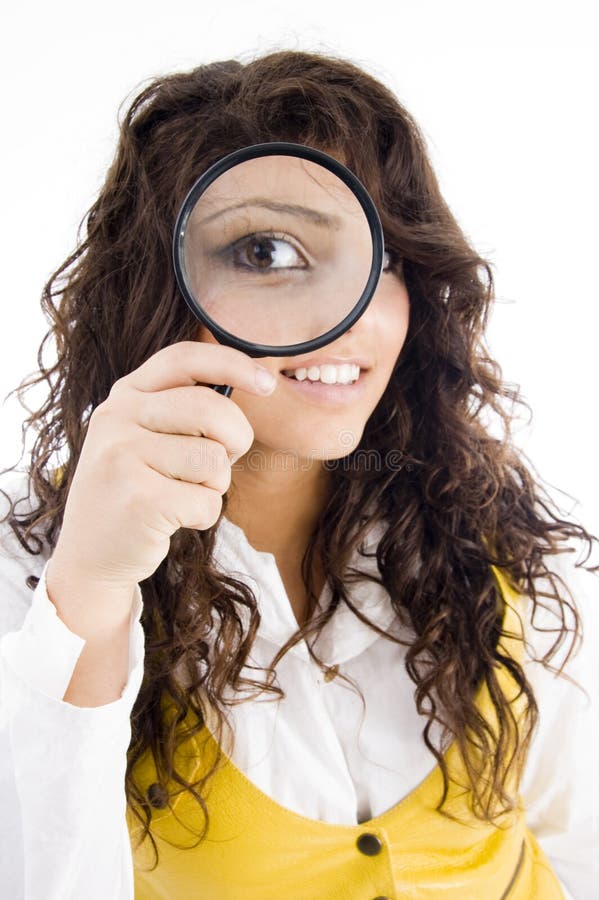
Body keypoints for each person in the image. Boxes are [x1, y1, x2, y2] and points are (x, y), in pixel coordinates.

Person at [0, 49, 597, 900]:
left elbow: (576, 844)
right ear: (154, 287)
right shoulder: (33, 569)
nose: (344, 318)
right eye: (267, 250)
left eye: (381, 258)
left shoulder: (482, 528)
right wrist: (92, 594)